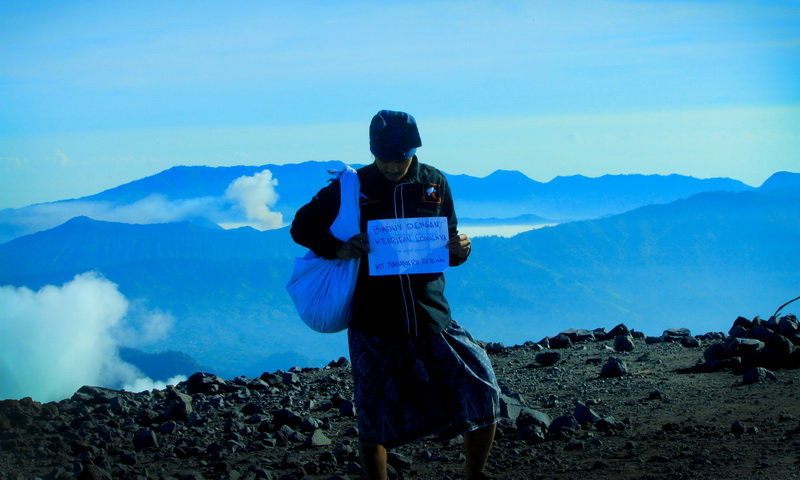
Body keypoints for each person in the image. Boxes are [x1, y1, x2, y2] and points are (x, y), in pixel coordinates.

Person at [290, 110, 500, 480]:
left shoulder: (434, 182)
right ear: (372, 151)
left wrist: (461, 249)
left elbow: (450, 242)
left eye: (400, 157)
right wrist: (337, 248)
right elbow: (301, 227)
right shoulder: (352, 186)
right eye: (384, 157)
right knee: (373, 415)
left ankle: (475, 474)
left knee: (481, 388)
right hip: (373, 320)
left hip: (430, 314)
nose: (391, 165)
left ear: (413, 150)